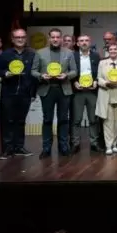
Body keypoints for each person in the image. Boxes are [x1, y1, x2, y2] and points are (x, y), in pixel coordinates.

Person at [31, 28, 77, 159]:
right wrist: (41, 75)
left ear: (61, 38)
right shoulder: (40, 53)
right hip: (47, 89)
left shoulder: (69, 52)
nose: (56, 39)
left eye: (58, 37)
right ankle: (46, 148)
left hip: (64, 89)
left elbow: (74, 71)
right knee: (47, 119)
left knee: (63, 119)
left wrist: (66, 75)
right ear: (49, 38)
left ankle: (63, 146)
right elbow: (33, 71)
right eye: (53, 37)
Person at [0, 29, 36, 159]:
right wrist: (6, 73)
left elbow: (34, 75)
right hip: (8, 93)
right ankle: (7, 149)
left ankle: (19, 147)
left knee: (21, 121)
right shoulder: (5, 54)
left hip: (25, 93)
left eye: (22, 37)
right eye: (17, 37)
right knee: (8, 121)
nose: (20, 39)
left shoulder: (32, 54)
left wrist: (33, 92)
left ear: (26, 38)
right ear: (12, 39)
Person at [96, 43, 117, 155]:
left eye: (115, 49)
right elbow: (99, 78)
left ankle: (115, 144)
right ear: (108, 51)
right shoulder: (102, 63)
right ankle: (108, 145)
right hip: (106, 94)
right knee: (107, 122)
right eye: (111, 49)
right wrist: (106, 83)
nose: (113, 51)